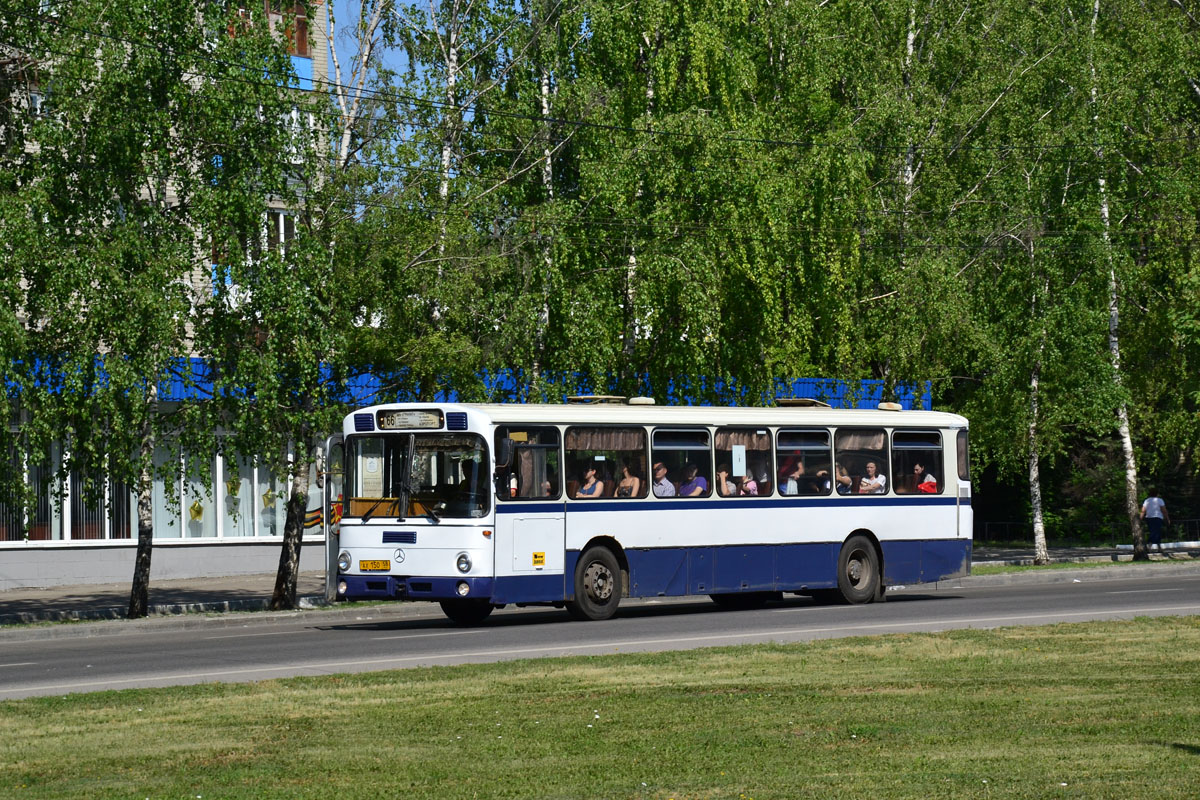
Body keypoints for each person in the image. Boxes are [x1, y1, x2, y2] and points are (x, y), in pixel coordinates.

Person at [1140, 488, 1170, 553]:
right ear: (1157, 494)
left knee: (1155, 531)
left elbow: (1143, 511)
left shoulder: (1147, 501)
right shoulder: (1160, 500)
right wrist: (1167, 518)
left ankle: (1159, 547)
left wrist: (1140, 518)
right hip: (1157, 517)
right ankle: (1149, 545)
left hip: (1149, 518)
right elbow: (1164, 510)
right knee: (1155, 532)